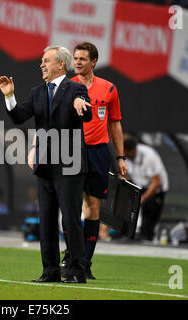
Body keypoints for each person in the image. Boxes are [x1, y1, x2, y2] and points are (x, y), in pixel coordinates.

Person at [0, 45, 92, 284]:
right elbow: (19, 117)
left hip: (69, 164)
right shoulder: (38, 92)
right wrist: (9, 96)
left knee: (70, 218)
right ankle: (50, 271)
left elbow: (86, 111)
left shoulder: (75, 88)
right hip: (45, 164)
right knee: (46, 220)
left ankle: (76, 271)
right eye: (41, 60)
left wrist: (81, 105)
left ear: (61, 64)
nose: (41, 64)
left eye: (46, 60)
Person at [60, 42, 128, 280]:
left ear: (94, 62)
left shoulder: (109, 89)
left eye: (82, 59)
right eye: (75, 58)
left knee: (93, 207)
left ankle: (85, 262)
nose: (77, 62)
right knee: (70, 207)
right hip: (71, 150)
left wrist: (120, 157)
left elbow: (115, 123)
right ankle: (71, 256)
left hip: (98, 152)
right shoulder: (67, 86)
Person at [124, 134, 169, 241]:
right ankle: (129, 236)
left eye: (127, 153)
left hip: (155, 191)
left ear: (133, 149)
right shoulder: (124, 155)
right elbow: (126, 175)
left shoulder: (149, 156)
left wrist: (141, 200)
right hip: (140, 187)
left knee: (148, 223)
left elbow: (156, 183)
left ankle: (146, 239)